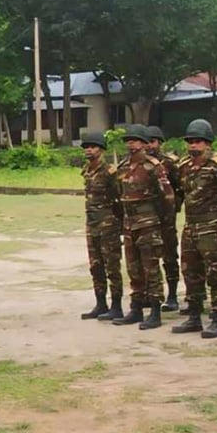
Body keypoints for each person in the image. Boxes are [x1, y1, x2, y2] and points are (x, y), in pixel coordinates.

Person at [171, 119, 217, 339]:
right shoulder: (184, 166)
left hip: (212, 224)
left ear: (208, 143)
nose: (193, 146)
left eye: (198, 142)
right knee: (190, 271)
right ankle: (194, 316)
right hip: (191, 225)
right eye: (190, 142)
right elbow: (179, 194)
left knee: (215, 271)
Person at [113, 124, 175, 329]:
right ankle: (136, 308)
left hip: (149, 224)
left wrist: (161, 222)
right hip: (130, 225)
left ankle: (155, 311)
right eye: (128, 140)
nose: (131, 143)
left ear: (144, 143)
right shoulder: (122, 166)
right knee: (134, 268)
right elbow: (119, 196)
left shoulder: (153, 166)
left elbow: (166, 197)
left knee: (151, 268)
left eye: (135, 140)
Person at [79, 132, 123, 321]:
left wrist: (117, 225)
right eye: (86, 146)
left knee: (111, 266)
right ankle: (100, 303)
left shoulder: (110, 172)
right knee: (95, 266)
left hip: (108, 225)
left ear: (101, 149)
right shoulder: (87, 171)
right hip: (92, 225)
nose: (89, 149)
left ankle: (117, 306)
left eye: (93, 146)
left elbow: (118, 200)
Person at [146, 126, 182, 312]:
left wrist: (173, 209)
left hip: (166, 219)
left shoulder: (169, 164)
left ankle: (173, 295)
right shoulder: (140, 164)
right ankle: (149, 294)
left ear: (160, 143)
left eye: (153, 141)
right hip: (147, 219)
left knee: (169, 256)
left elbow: (179, 188)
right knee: (148, 257)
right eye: (147, 141)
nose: (149, 145)